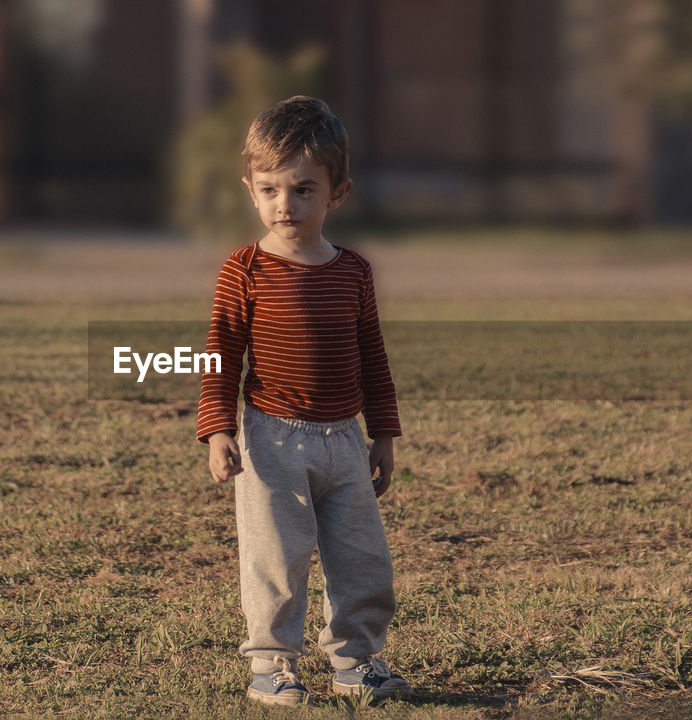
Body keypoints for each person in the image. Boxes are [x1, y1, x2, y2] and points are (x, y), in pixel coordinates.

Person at [196, 96, 411, 706]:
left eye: (303, 189)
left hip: (345, 441)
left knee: (363, 561)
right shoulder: (244, 270)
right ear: (250, 189)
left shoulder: (354, 272)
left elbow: (373, 356)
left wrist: (384, 436)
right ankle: (271, 667)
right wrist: (217, 431)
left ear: (338, 193)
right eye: (268, 189)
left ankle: (358, 663)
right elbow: (221, 355)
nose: (284, 205)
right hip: (272, 439)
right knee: (277, 561)